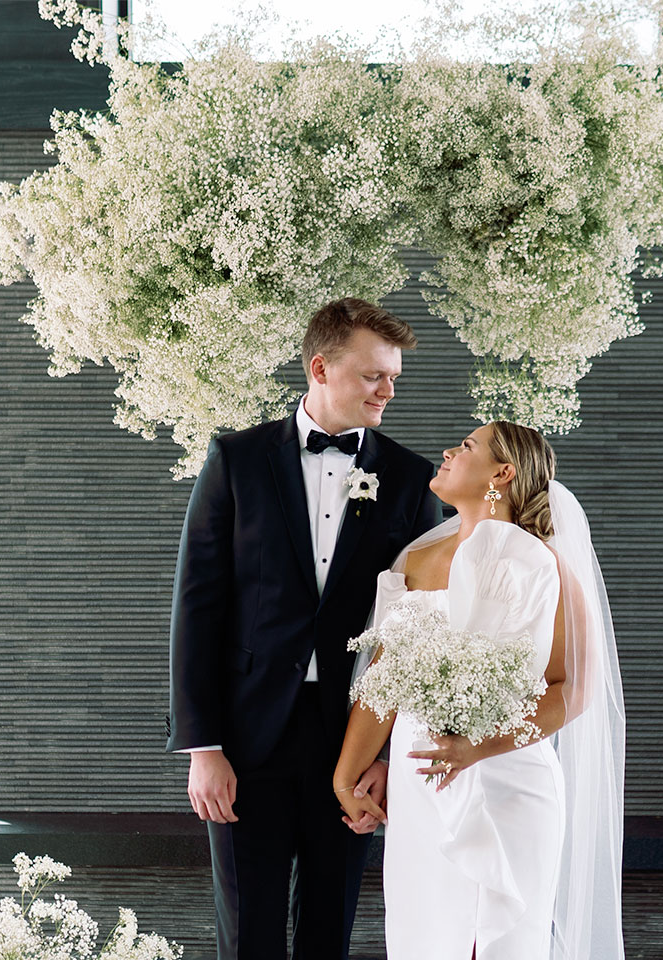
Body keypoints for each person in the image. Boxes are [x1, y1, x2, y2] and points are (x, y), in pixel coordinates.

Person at [166, 297, 444, 960]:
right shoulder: (235, 460)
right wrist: (203, 748)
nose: (388, 390)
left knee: (329, 928)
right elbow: (196, 606)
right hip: (244, 738)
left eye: (394, 377)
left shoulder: (407, 478)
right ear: (320, 367)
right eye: (374, 375)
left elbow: (423, 628)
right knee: (249, 934)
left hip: (350, 740)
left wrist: (383, 757)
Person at [332, 421, 627, 960]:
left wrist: (478, 747)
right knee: (426, 938)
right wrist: (348, 775)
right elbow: (385, 678)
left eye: (466, 446)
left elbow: (573, 688)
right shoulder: (417, 562)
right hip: (421, 784)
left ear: (502, 473)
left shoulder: (546, 566)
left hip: (508, 780)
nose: (447, 451)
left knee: (498, 943)